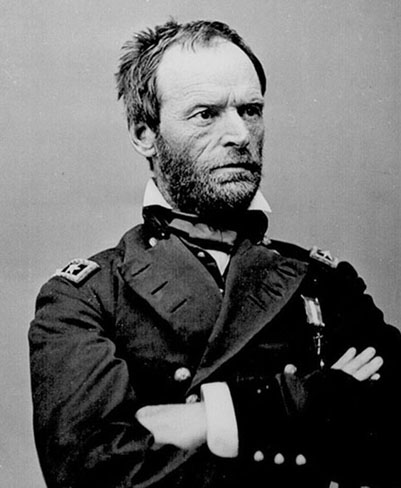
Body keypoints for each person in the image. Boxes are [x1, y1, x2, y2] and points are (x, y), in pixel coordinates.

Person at [29, 19, 401, 488]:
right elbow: (94, 473)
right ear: (144, 134)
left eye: (251, 110)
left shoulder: (324, 282)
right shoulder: (85, 298)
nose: (240, 134)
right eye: (206, 114)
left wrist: (216, 418)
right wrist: (311, 402)